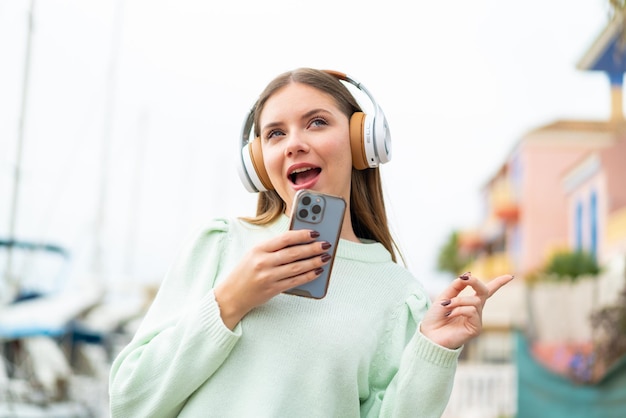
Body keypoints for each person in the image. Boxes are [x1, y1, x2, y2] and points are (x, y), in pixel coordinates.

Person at [108, 67, 513, 418]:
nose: (293, 143)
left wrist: (433, 351)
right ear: (258, 163)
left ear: (362, 142)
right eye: (275, 133)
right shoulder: (219, 245)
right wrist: (230, 301)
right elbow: (129, 402)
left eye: (316, 122)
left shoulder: (399, 295)